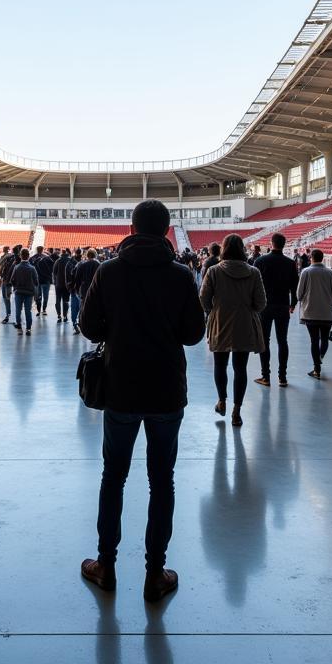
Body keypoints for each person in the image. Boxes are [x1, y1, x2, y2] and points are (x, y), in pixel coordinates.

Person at [79, 200, 206, 602]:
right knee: (161, 481)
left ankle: (106, 565)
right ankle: (154, 573)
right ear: (167, 231)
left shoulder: (109, 270)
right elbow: (193, 335)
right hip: (167, 391)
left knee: (113, 477)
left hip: (120, 388)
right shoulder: (181, 276)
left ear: (132, 230)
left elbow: (87, 325)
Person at [199, 233, 267, 427]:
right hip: (244, 324)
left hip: (220, 323)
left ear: (224, 249)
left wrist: (214, 311)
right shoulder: (253, 272)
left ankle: (222, 401)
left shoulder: (213, 271)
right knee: (241, 368)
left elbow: (203, 299)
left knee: (220, 365)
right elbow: (261, 303)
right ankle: (237, 411)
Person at [253, 233, 299, 388]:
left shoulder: (260, 261)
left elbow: (254, 285)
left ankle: (265, 376)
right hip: (282, 305)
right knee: (282, 341)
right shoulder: (290, 263)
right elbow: (294, 286)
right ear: (284, 244)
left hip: (264, 306)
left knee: (264, 341)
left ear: (271, 244)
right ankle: (282, 377)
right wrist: (293, 303)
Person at [295, 249, 332, 380]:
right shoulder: (330, 273)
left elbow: (299, 294)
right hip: (326, 313)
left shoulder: (306, 272)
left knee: (314, 340)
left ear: (311, 258)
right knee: (324, 338)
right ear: (322, 258)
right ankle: (320, 357)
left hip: (310, 313)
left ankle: (316, 369)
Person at [70, 248, 101, 332]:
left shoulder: (82, 264)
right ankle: (92, 325)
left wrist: (76, 289)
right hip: (95, 290)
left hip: (83, 290)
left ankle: (79, 323)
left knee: (82, 307)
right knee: (93, 308)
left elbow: (77, 278)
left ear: (87, 255)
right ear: (95, 255)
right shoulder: (99, 265)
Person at [11, 248, 39, 335]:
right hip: (29, 293)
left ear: (20, 256)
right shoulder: (32, 268)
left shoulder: (16, 267)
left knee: (18, 311)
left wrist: (16, 287)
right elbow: (36, 282)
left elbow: (12, 280)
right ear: (28, 256)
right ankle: (28, 329)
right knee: (28, 311)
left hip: (18, 292)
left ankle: (19, 328)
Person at [0, 245, 19, 324]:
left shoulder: (9, 258)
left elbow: (2, 268)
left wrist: (1, 278)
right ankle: (11, 316)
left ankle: (9, 315)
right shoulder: (10, 258)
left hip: (8, 282)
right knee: (9, 298)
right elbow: (3, 268)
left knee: (7, 298)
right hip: (10, 282)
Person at [30, 245, 55, 316]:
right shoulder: (47, 257)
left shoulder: (32, 258)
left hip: (37, 281)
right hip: (46, 280)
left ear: (37, 250)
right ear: (42, 249)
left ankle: (38, 310)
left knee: (38, 296)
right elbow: (52, 268)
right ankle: (44, 310)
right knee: (46, 296)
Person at [53, 248, 73, 322]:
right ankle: (65, 316)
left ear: (61, 253)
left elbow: (54, 272)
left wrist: (55, 281)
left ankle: (59, 315)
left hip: (58, 284)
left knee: (58, 300)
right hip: (67, 284)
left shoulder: (58, 261)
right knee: (66, 300)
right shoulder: (70, 261)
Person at [67, 248, 84, 332]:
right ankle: (80, 323)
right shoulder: (84, 263)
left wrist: (69, 287)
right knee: (81, 308)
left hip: (73, 289)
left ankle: (75, 324)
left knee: (74, 308)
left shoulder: (70, 263)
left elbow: (67, 276)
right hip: (81, 289)